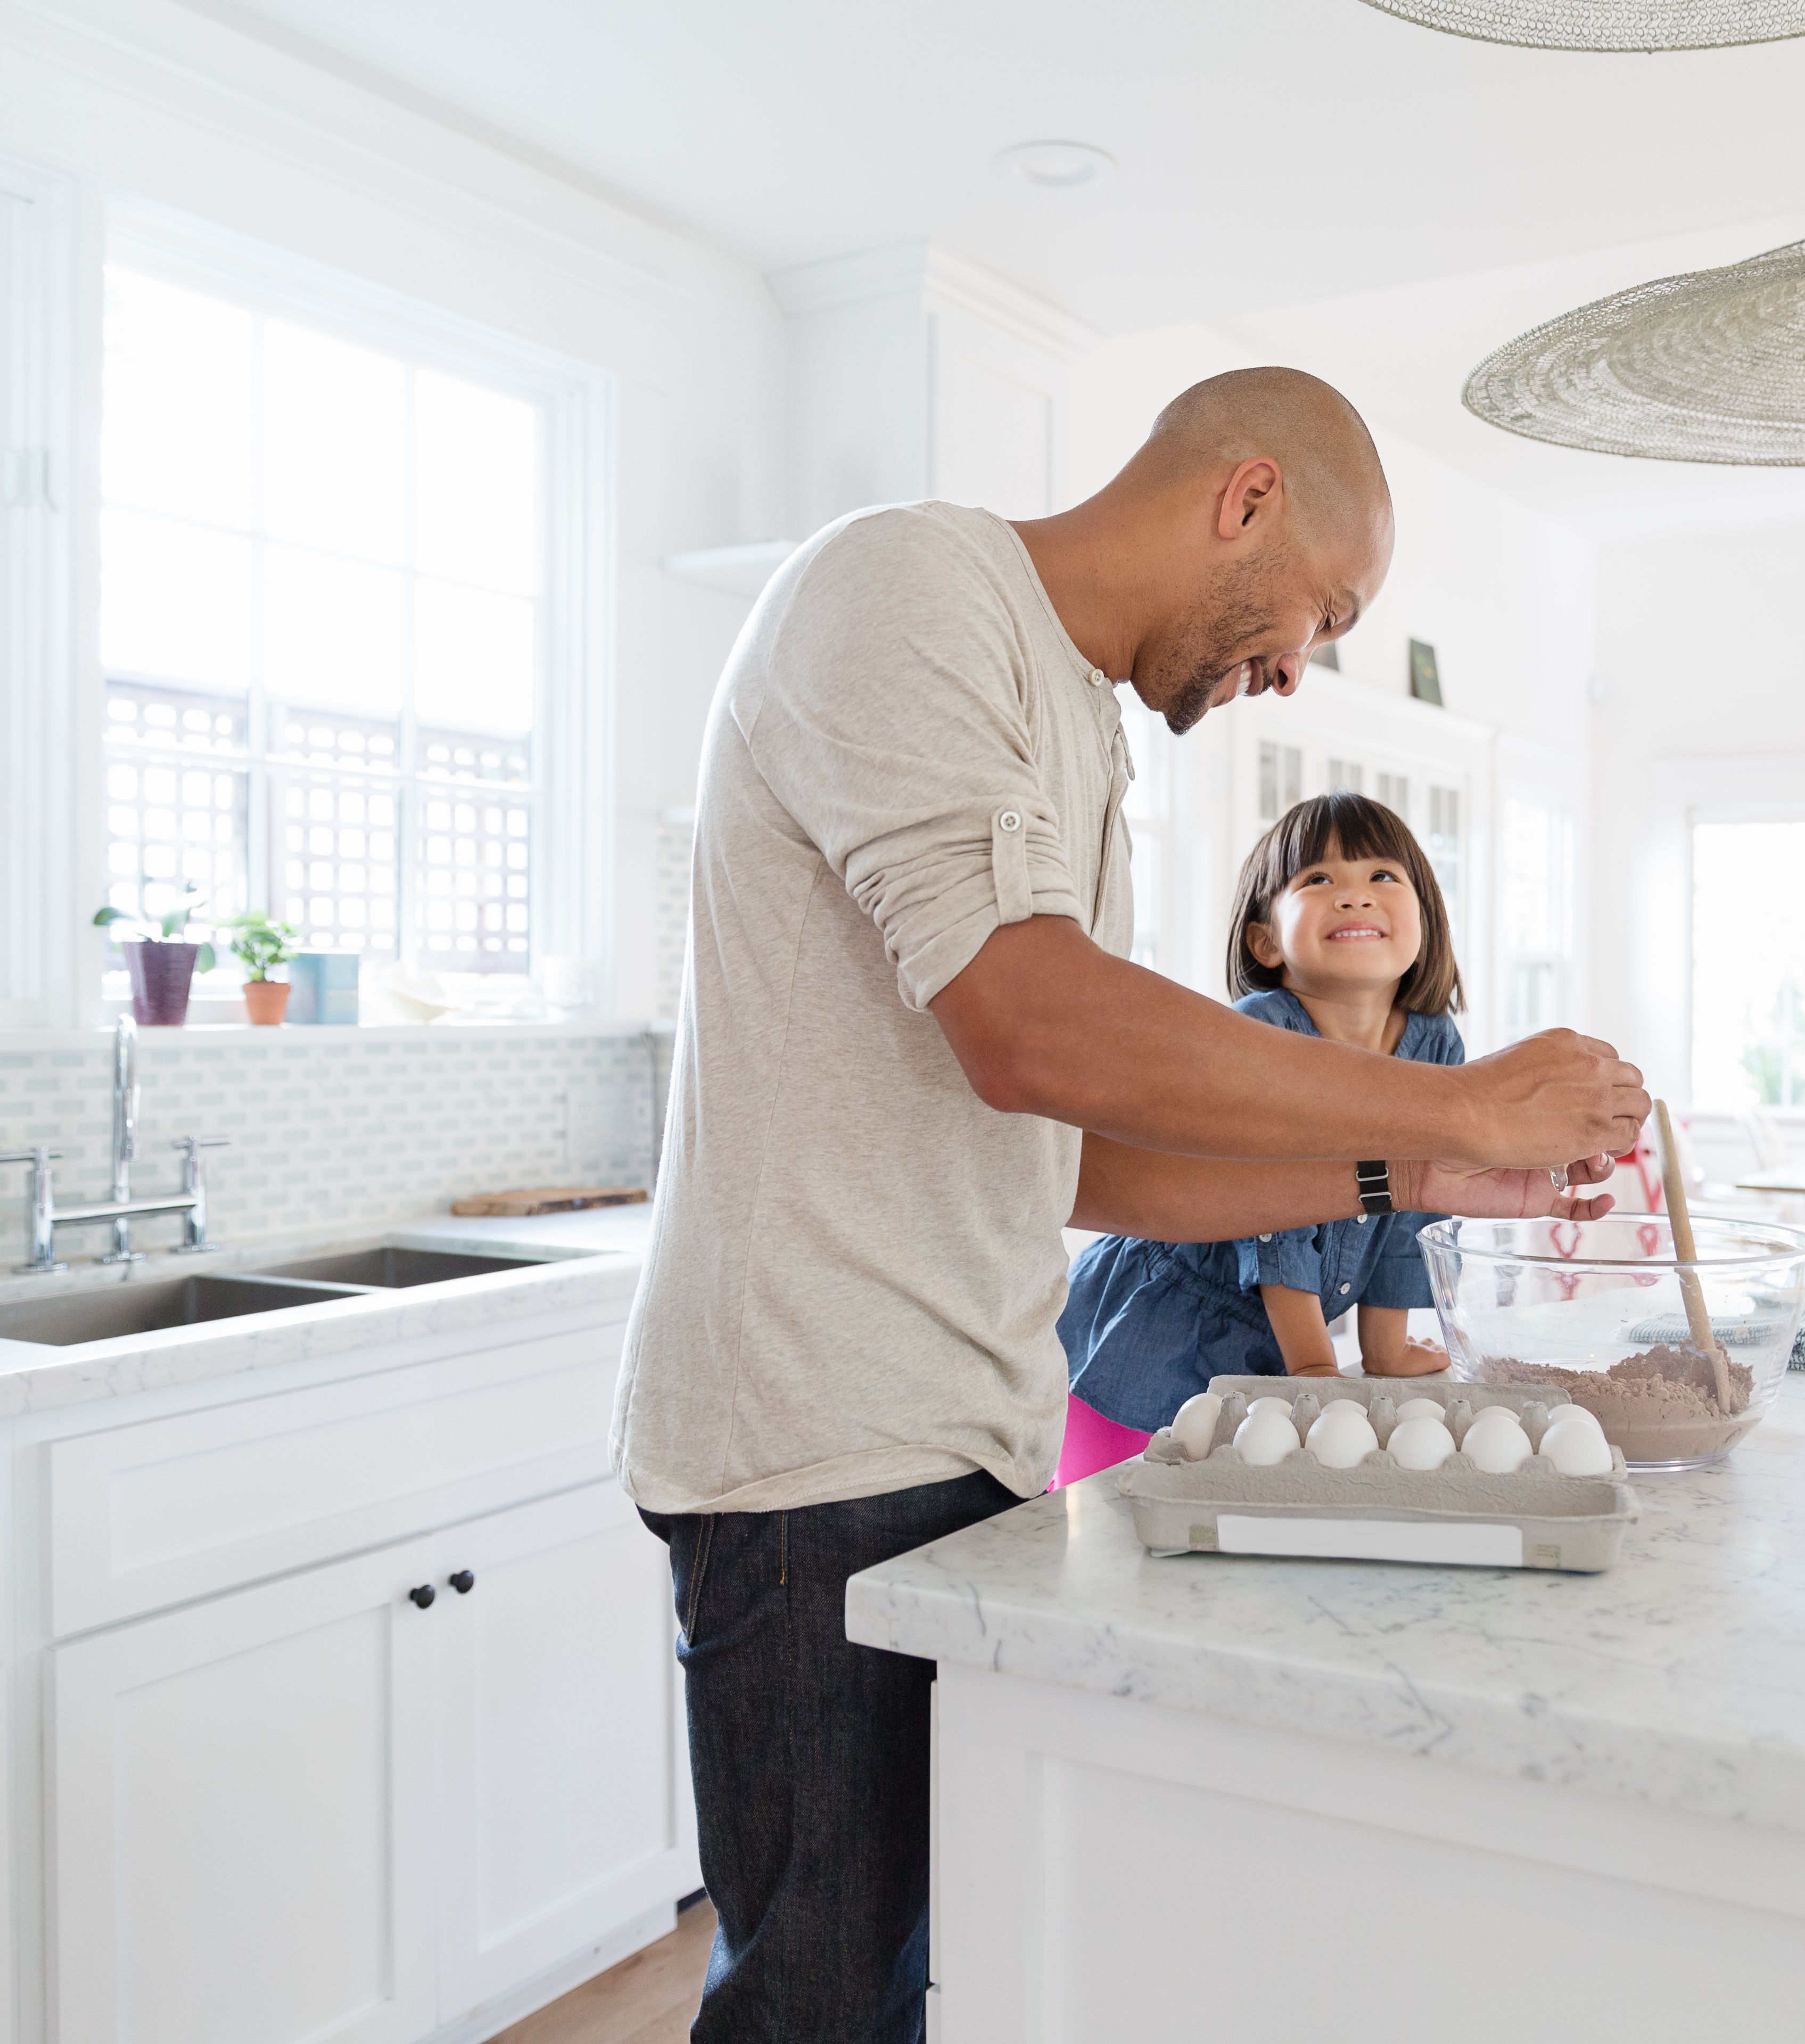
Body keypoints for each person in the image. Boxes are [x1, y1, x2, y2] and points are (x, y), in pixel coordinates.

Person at [612, 366, 1646, 2043]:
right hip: (813, 1437)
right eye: (1320, 608)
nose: (1296, 663)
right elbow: (1030, 1029)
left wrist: (1420, 1171)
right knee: (820, 2002)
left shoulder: (1076, 722)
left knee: (918, 1975)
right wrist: (1450, 1093)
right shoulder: (906, 588)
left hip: (955, 1423)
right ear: (1243, 499)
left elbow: (1076, 1155)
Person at [1055, 793, 1463, 1485]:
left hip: (1277, 1339)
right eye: (1319, 881)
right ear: (1266, 941)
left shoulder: (1434, 1045)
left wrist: (1384, 1349)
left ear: (1423, 916)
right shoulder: (1263, 1036)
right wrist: (1314, 1370)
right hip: (1160, 1326)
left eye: (1382, 878)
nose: (1356, 898)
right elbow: (1270, 1218)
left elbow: (1413, 1204)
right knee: (1119, 1509)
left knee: (1233, 1517)